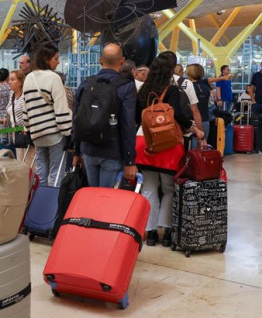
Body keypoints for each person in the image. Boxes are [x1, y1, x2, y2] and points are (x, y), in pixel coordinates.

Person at [136, 53, 204, 247]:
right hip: (168, 144)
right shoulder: (172, 90)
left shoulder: (143, 90)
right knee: (168, 189)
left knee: (148, 187)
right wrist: (195, 130)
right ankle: (166, 232)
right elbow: (181, 116)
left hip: (144, 141)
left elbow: (135, 117)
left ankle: (149, 233)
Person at [73, 43, 137, 187]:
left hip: (88, 150)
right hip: (112, 151)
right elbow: (128, 125)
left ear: (100, 60)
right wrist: (130, 161)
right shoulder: (126, 87)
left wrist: (77, 151)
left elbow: (77, 119)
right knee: (107, 200)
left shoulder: (85, 84)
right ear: (122, 61)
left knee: (93, 196)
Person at [22, 44, 72, 187]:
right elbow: (61, 108)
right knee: (57, 174)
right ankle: (53, 206)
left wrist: (28, 127)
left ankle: (39, 203)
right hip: (54, 133)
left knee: (41, 172)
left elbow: (26, 106)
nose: (58, 62)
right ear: (46, 59)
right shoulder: (54, 78)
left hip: (37, 134)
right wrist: (68, 132)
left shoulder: (29, 78)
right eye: (56, 58)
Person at [4, 70, 34, 163]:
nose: (9, 82)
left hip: (26, 133)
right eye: (9, 79)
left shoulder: (26, 95)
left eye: (13, 79)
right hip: (16, 133)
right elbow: (10, 110)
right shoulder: (11, 95)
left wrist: (26, 127)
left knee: (30, 161)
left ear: (20, 82)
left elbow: (31, 114)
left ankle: (32, 178)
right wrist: (6, 118)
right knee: (20, 161)